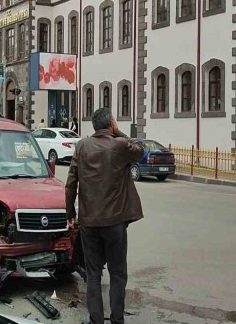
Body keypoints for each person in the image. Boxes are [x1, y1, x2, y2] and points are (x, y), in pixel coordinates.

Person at [65, 108, 144, 324]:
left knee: (93, 275)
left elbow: (71, 182)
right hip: (115, 222)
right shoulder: (119, 145)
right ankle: (117, 320)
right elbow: (140, 150)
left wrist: (70, 212)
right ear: (111, 123)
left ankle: (96, 320)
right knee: (118, 274)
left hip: (89, 222)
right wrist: (119, 132)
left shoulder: (81, 146)